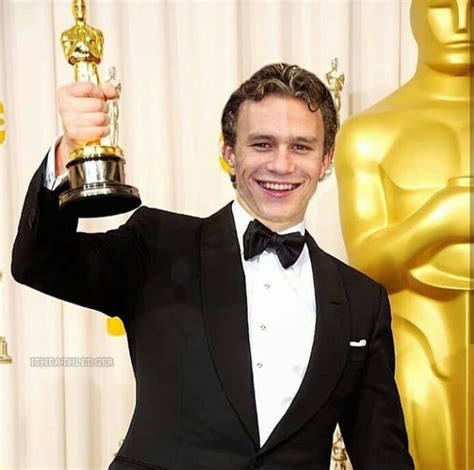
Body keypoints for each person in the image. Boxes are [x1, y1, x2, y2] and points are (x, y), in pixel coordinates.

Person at [12, 63, 414, 470]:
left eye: (301, 147)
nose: (281, 165)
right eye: (261, 144)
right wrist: (69, 155)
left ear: (326, 159)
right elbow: (40, 262)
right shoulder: (159, 245)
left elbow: (383, 454)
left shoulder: (363, 301)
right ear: (228, 153)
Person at [335, 1, 471, 467]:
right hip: (416, 344)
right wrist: (443, 218)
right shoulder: (370, 133)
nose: (461, 23)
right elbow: (367, 261)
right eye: (441, 6)